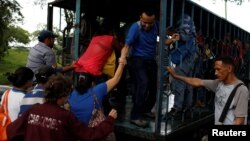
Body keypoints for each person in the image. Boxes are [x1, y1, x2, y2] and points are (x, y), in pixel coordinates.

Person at [7, 74, 118, 141]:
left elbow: (11, 130)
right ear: (64, 96)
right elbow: (90, 135)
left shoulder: (34, 110)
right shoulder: (65, 116)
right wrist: (109, 120)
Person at [166, 56, 249, 125]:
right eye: (215, 69)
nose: (215, 73)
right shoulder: (218, 84)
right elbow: (197, 81)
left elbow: (239, 122)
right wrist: (176, 76)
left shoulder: (241, 90)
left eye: (218, 69)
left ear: (229, 68)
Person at [68, 46, 128, 124]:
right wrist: (122, 59)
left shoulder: (73, 93)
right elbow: (116, 79)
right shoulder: (97, 90)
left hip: (76, 132)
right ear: (93, 81)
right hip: (91, 132)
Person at [124, 7, 159, 127]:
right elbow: (127, 45)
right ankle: (135, 116)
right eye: (145, 22)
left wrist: (174, 37)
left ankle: (146, 109)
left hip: (150, 60)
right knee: (143, 83)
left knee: (155, 85)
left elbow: (165, 36)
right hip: (137, 59)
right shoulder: (135, 27)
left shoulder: (157, 26)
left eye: (150, 22)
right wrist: (122, 57)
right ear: (140, 18)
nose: (147, 25)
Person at [164, 12, 198, 120]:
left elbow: (185, 34)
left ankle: (177, 108)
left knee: (179, 79)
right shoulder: (184, 17)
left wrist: (179, 36)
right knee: (188, 82)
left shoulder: (184, 17)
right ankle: (187, 108)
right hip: (190, 53)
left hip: (186, 54)